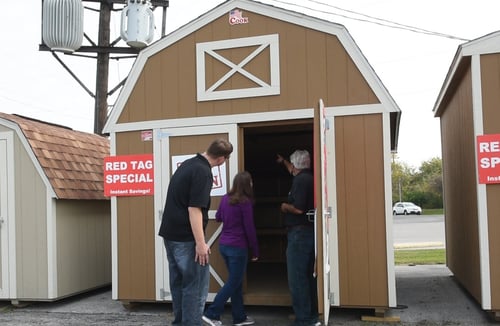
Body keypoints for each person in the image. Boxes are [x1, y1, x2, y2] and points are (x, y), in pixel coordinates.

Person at [159, 138, 233, 326]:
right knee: (196, 287)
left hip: (170, 235)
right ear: (222, 159)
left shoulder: (188, 164)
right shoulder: (203, 172)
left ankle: (180, 323)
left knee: (178, 285)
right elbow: (194, 209)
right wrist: (201, 243)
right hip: (186, 239)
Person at [203, 171, 259, 326]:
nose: (253, 184)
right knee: (234, 282)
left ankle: (239, 317)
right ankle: (212, 312)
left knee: (236, 282)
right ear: (247, 185)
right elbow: (249, 228)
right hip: (237, 247)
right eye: (251, 182)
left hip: (224, 246)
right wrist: (255, 250)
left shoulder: (225, 198)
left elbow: (219, 216)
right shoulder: (245, 202)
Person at [277, 150, 319, 326]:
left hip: (299, 234)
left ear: (296, 166)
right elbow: (293, 169)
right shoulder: (308, 176)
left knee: (297, 277)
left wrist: (285, 207)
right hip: (308, 232)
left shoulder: (300, 180)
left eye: (291, 165)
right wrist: (284, 161)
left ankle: (303, 319)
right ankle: (311, 315)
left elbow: (299, 208)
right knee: (309, 276)